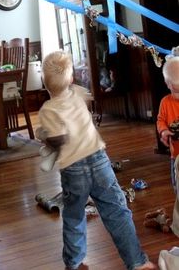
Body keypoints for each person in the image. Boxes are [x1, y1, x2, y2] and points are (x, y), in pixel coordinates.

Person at [36, 50, 156, 270]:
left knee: (73, 216)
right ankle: (137, 262)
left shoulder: (47, 111)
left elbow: (53, 139)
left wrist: (44, 136)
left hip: (73, 170)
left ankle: (74, 263)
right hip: (99, 161)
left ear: (44, 83)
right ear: (71, 79)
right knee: (117, 211)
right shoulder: (79, 94)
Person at [157, 47, 179, 192]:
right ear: (168, 84)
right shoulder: (165, 102)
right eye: (177, 91)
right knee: (177, 185)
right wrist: (164, 131)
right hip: (175, 154)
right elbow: (160, 120)